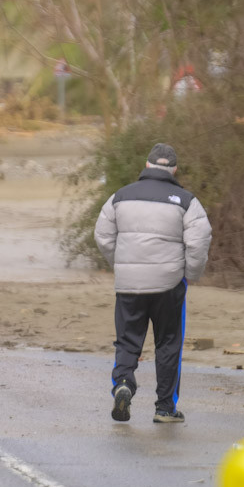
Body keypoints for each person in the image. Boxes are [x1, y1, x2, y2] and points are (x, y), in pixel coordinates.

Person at [94, 143, 212, 424]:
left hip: (128, 285)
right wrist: (190, 274)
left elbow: (103, 235)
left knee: (127, 341)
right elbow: (199, 241)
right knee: (169, 343)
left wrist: (122, 264)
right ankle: (165, 408)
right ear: (174, 170)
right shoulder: (186, 201)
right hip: (169, 285)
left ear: (147, 165)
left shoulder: (120, 196)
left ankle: (123, 383)